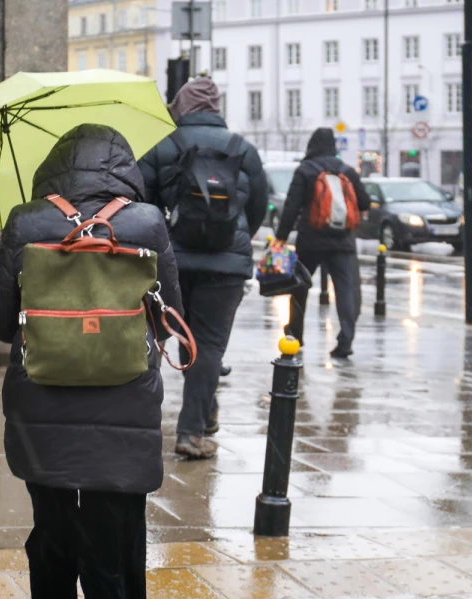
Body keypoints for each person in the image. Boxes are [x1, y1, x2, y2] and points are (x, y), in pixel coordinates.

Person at [0, 124, 183, 599]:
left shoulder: (27, 221)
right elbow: (171, 321)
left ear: (54, 168)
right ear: (124, 168)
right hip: (123, 418)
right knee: (113, 566)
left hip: (42, 416)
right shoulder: (147, 224)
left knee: (51, 549)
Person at [139, 78, 268, 460]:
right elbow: (258, 206)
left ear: (180, 106)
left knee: (159, 336)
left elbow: (142, 201)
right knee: (208, 345)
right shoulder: (242, 149)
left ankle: (143, 422)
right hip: (226, 266)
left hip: (171, 260)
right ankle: (192, 431)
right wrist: (235, 238)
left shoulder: (162, 145)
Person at [272, 127, 371, 360]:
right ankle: (345, 341)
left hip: (311, 239)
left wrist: (281, 237)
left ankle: (295, 334)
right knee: (347, 290)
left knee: (300, 286)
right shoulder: (347, 171)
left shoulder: (305, 170)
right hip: (343, 241)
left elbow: (292, 206)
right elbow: (364, 202)